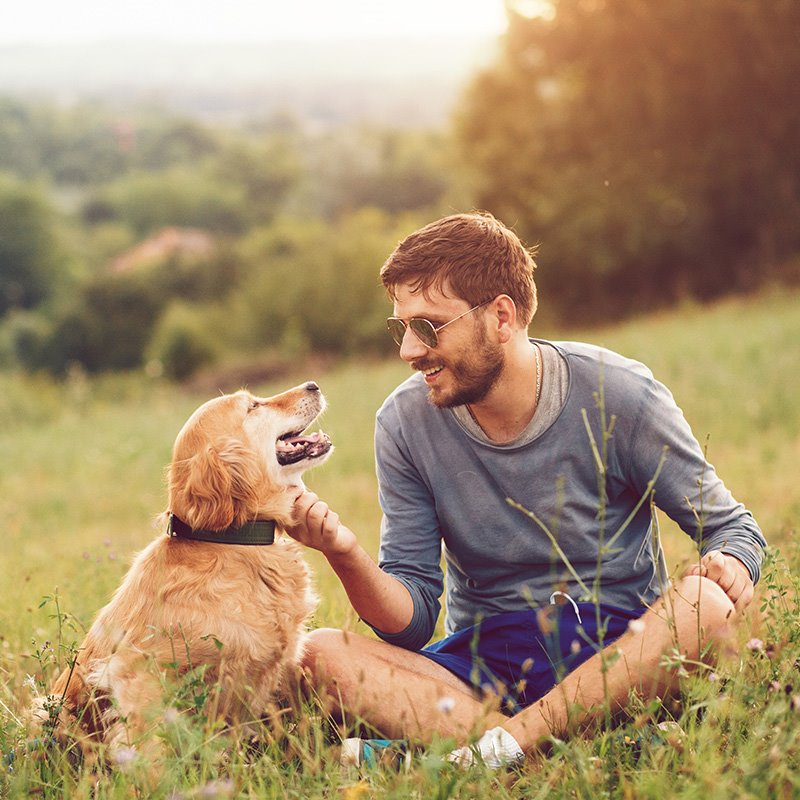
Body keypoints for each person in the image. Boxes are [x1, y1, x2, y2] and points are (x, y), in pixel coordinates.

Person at [286, 211, 766, 768]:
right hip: (482, 668)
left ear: (502, 317)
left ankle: (470, 756)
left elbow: (733, 528)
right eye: (401, 328)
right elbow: (413, 622)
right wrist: (343, 552)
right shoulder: (402, 423)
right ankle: (552, 751)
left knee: (705, 607)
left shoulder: (621, 393)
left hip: (618, 653)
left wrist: (731, 560)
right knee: (319, 652)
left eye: (428, 326)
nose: (408, 352)